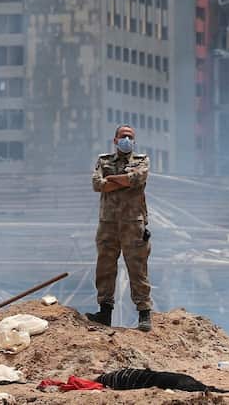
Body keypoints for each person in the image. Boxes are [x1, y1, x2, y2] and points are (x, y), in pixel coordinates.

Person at [86, 124, 152, 332]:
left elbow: (136, 178)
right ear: (115, 140)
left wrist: (112, 179)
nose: (126, 139)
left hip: (133, 223)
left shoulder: (141, 161)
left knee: (137, 268)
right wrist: (124, 181)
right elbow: (98, 185)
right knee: (105, 267)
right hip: (109, 223)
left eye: (130, 137)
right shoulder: (103, 160)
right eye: (123, 136)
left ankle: (144, 314)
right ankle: (105, 312)